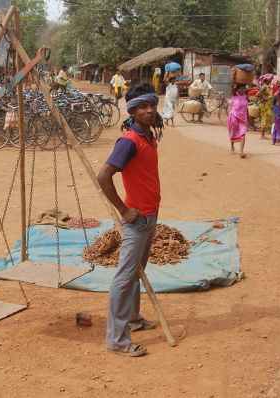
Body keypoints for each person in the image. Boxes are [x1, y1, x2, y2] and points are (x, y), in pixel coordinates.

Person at [97, 82, 161, 357]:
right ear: (132, 111)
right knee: (124, 278)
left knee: (137, 272)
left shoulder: (149, 136)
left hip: (150, 216)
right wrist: (124, 211)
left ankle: (134, 319)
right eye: (142, 107)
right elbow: (103, 176)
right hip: (136, 220)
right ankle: (118, 340)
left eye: (152, 106)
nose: (149, 111)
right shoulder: (129, 141)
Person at [228, 84, 249, 158]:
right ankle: (232, 147)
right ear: (237, 90)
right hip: (234, 117)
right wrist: (233, 78)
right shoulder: (235, 96)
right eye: (241, 88)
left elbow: (247, 109)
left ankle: (241, 151)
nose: (243, 90)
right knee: (233, 132)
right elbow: (232, 87)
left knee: (243, 134)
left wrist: (248, 118)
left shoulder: (246, 97)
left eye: (244, 88)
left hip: (243, 118)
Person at [256, 74, 275, 140]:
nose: (271, 80)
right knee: (265, 118)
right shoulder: (264, 87)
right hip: (265, 105)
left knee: (268, 118)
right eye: (271, 79)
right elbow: (257, 94)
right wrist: (264, 98)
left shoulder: (269, 86)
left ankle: (266, 132)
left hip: (269, 104)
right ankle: (262, 134)